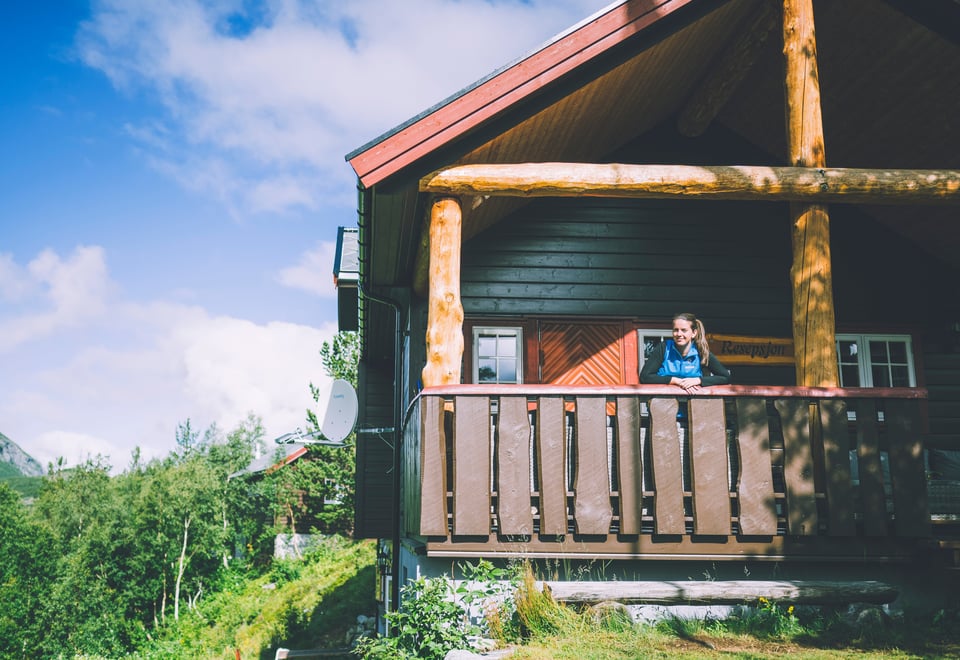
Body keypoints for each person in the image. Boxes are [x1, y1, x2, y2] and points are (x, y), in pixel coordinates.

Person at [640, 312, 731, 393]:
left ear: (694, 333)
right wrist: (675, 380)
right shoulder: (663, 348)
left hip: (695, 402)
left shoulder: (701, 351)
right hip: (663, 403)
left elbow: (725, 377)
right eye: (676, 330)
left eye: (684, 330)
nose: (679, 334)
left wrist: (698, 380)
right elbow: (645, 377)